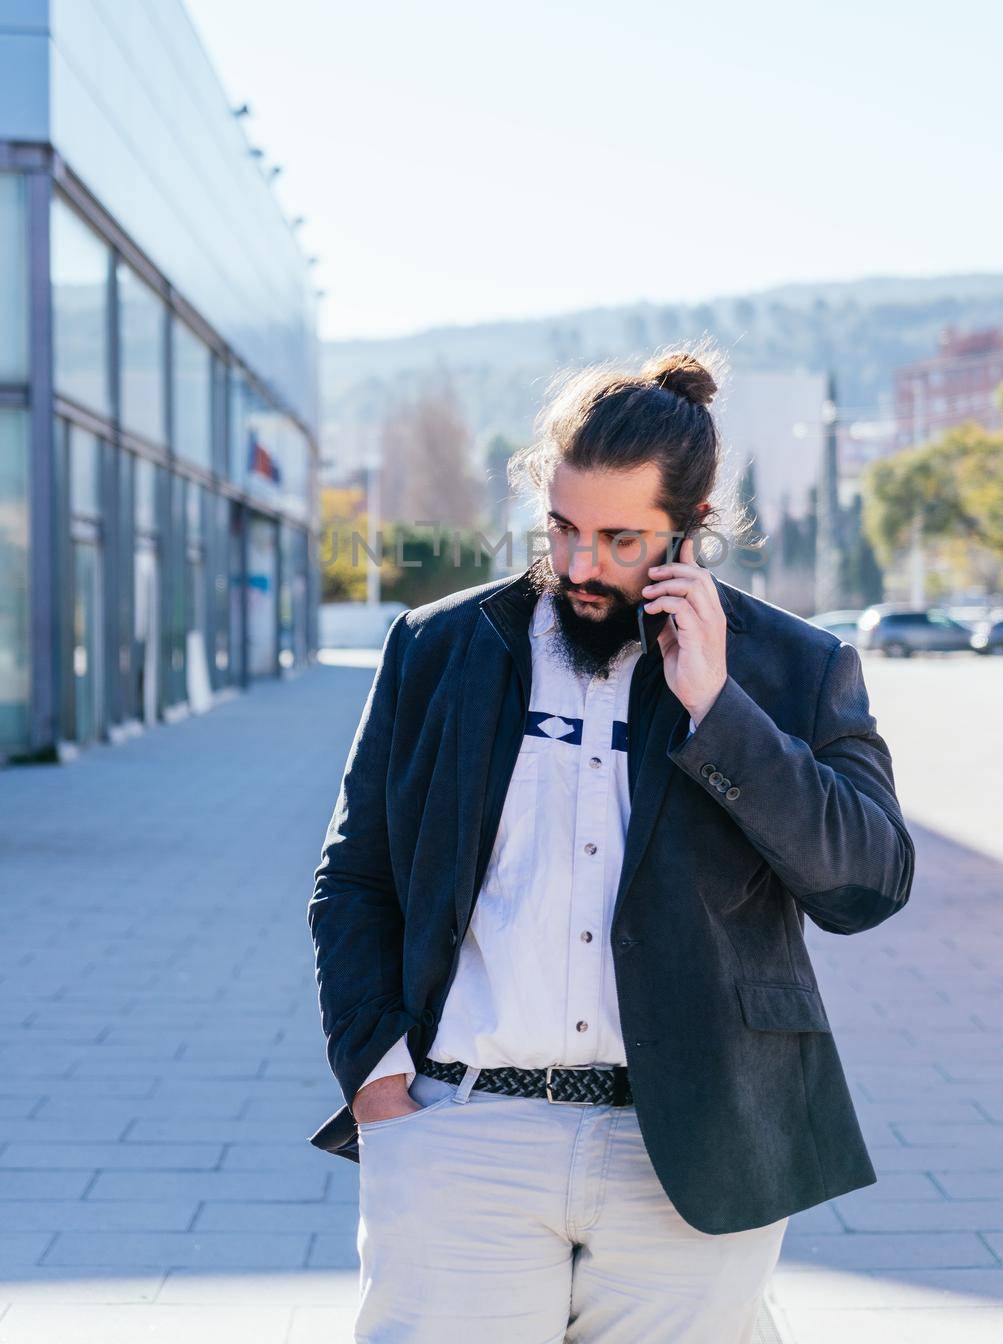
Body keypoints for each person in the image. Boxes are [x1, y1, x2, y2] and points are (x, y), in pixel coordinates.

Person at [308, 344, 914, 1344]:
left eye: (619, 539)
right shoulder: (439, 647)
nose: (580, 565)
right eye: (561, 528)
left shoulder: (789, 669)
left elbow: (867, 882)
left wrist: (719, 710)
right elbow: (355, 874)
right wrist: (377, 1082)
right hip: (463, 1137)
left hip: (690, 1151)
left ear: (692, 531)